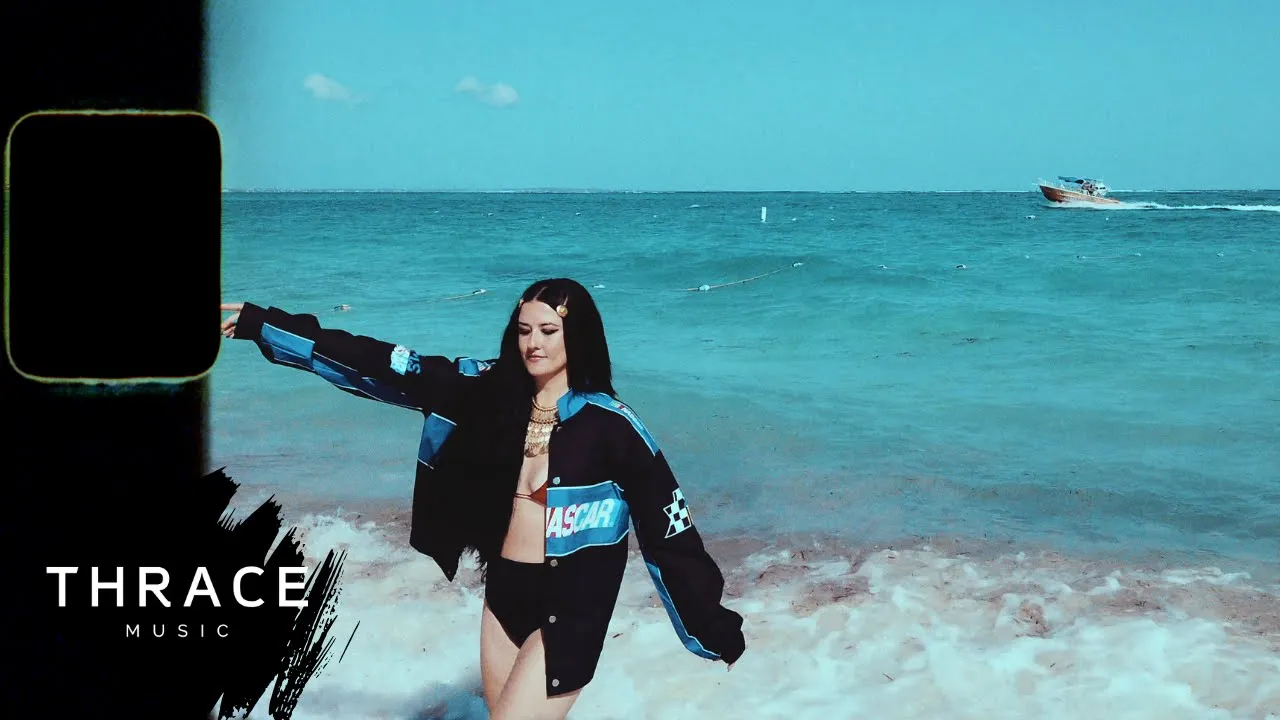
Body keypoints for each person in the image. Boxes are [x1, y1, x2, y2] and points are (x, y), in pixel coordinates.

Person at [219, 278, 746, 719]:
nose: (533, 344)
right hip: (504, 595)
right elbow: (383, 363)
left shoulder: (614, 427)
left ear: (578, 336)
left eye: (548, 331)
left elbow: (669, 532)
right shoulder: (486, 391)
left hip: (571, 606)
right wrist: (264, 325)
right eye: (524, 330)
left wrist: (709, 625)